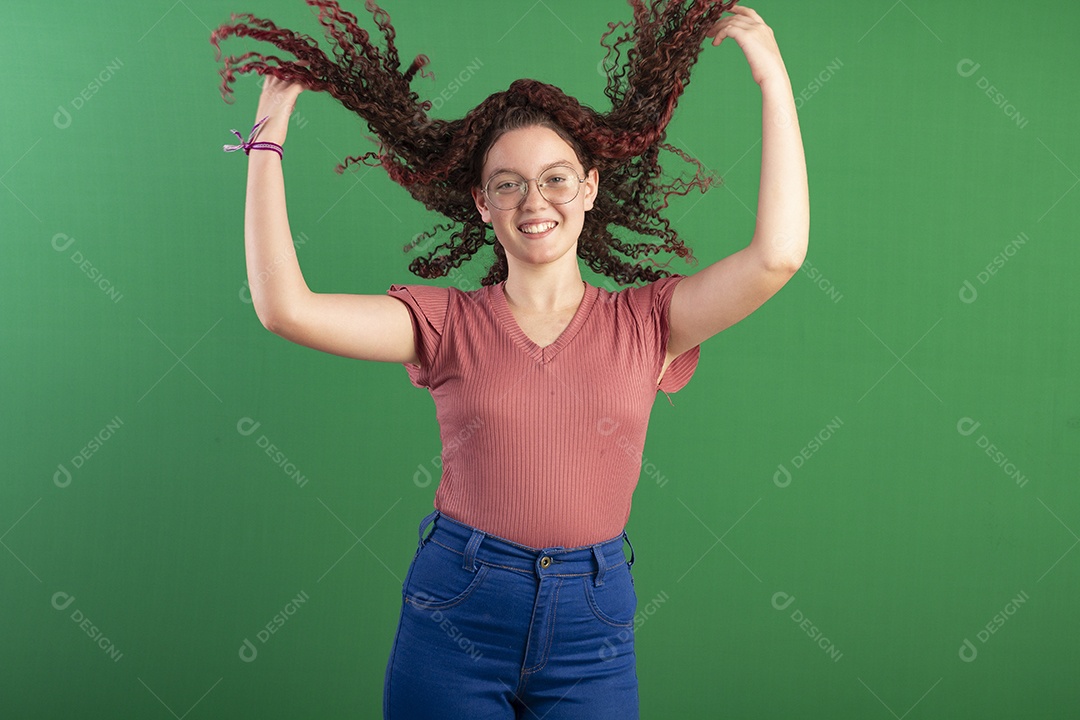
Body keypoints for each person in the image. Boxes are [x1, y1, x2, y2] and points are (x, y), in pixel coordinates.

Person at [213, 1, 807, 717]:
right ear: (482, 203)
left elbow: (778, 256)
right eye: (509, 183)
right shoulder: (447, 323)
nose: (536, 200)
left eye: (557, 177)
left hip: (593, 627)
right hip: (458, 609)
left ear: (589, 187)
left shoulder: (647, 321)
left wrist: (773, 78)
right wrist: (266, 140)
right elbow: (287, 310)